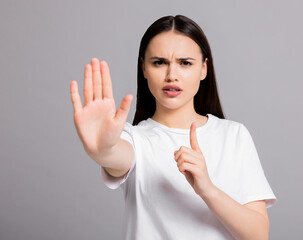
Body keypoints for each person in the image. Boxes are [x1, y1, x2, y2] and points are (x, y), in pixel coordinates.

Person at [70, 15, 277, 240]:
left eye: (185, 63)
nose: (171, 76)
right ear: (144, 68)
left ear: (204, 69)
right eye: (159, 62)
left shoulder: (234, 136)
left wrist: (207, 190)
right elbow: (115, 154)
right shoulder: (135, 139)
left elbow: (258, 235)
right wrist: (102, 149)